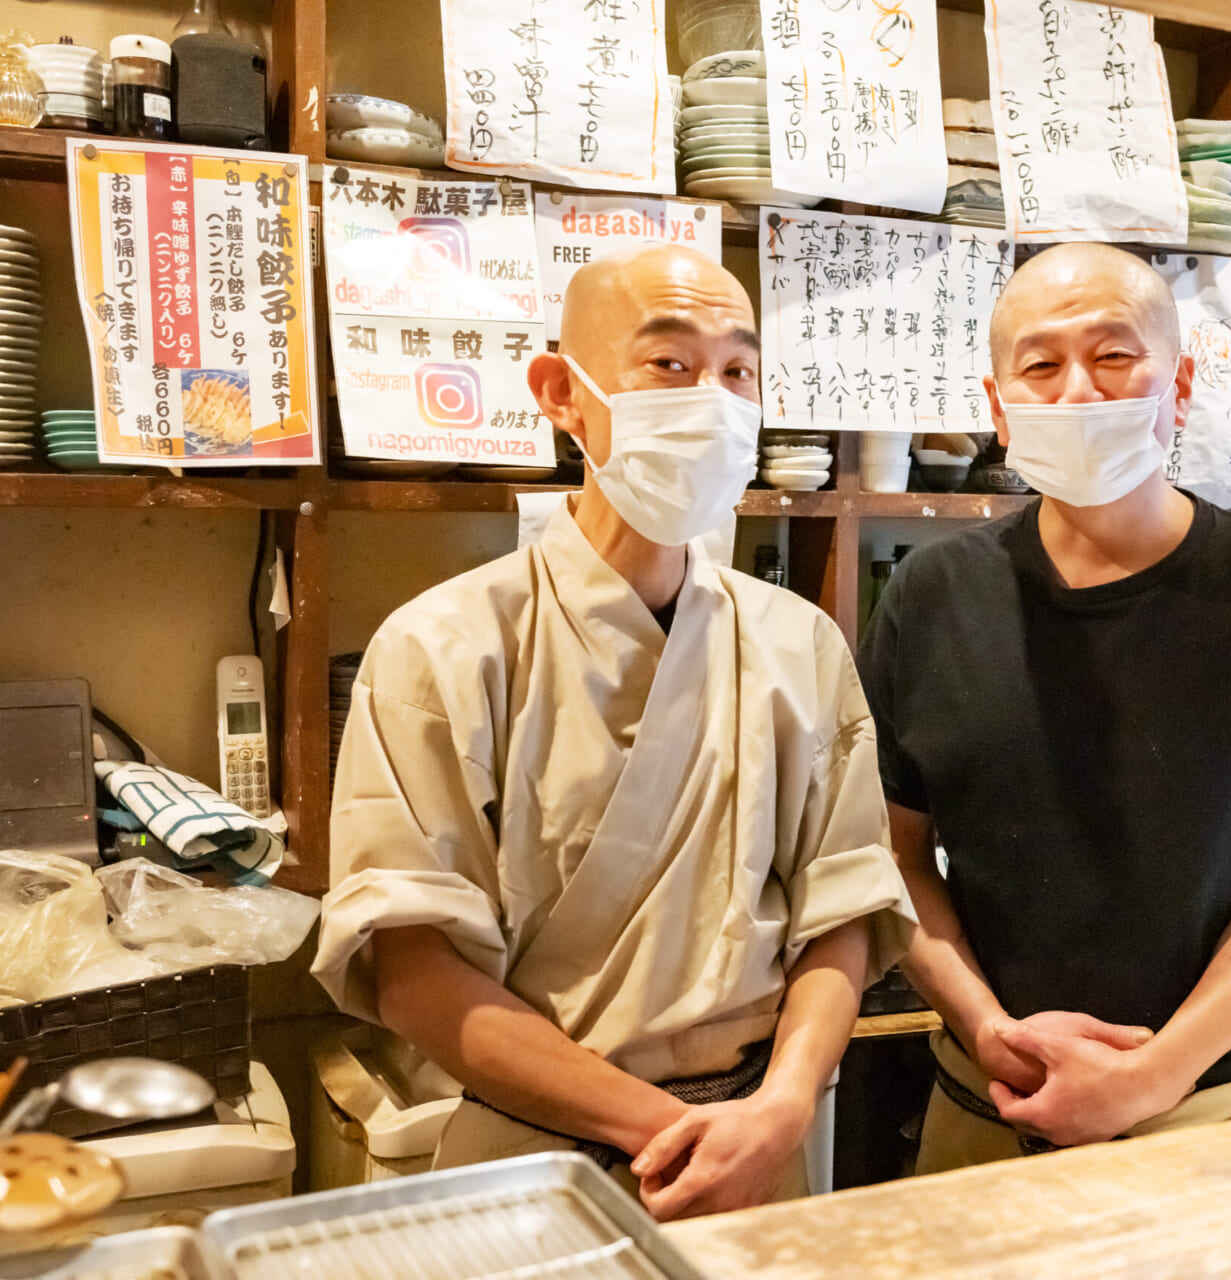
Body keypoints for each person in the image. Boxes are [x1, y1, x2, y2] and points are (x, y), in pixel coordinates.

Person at [312, 245, 914, 1220]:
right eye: (670, 365)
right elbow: (416, 974)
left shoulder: (799, 642)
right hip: (536, 1156)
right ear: (564, 393)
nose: (711, 399)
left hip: (762, 1145)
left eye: (737, 371)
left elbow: (841, 912)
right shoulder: (442, 647)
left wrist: (785, 1104)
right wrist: (664, 1128)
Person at [859, 243, 1231, 1172]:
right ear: (1000, 410)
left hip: (1213, 1115)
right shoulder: (931, 594)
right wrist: (988, 1026)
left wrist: (1157, 1074)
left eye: (1115, 356)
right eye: (1040, 365)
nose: (1079, 392)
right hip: (986, 1103)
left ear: (1180, 385)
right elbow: (895, 856)